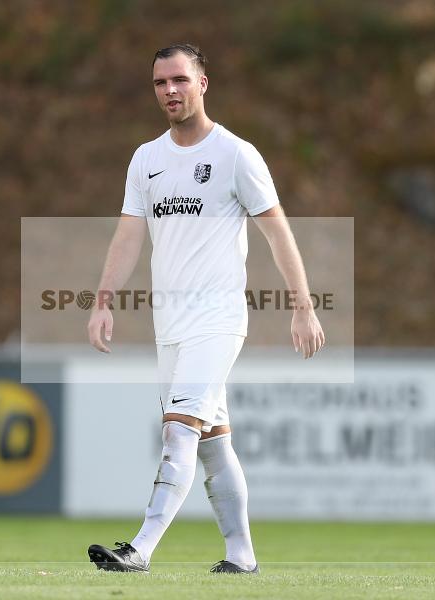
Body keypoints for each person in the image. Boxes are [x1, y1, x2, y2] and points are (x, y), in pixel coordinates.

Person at [86, 43, 325, 574]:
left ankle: (140, 549)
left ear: (202, 84)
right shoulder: (146, 159)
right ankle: (241, 555)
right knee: (212, 441)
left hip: (217, 321)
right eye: (159, 83)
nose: (169, 90)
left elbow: (277, 232)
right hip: (168, 326)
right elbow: (128, 236)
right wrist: (102, 301)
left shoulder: (236, 155)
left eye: (179, 80)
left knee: (178, 430)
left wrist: (303, 305)